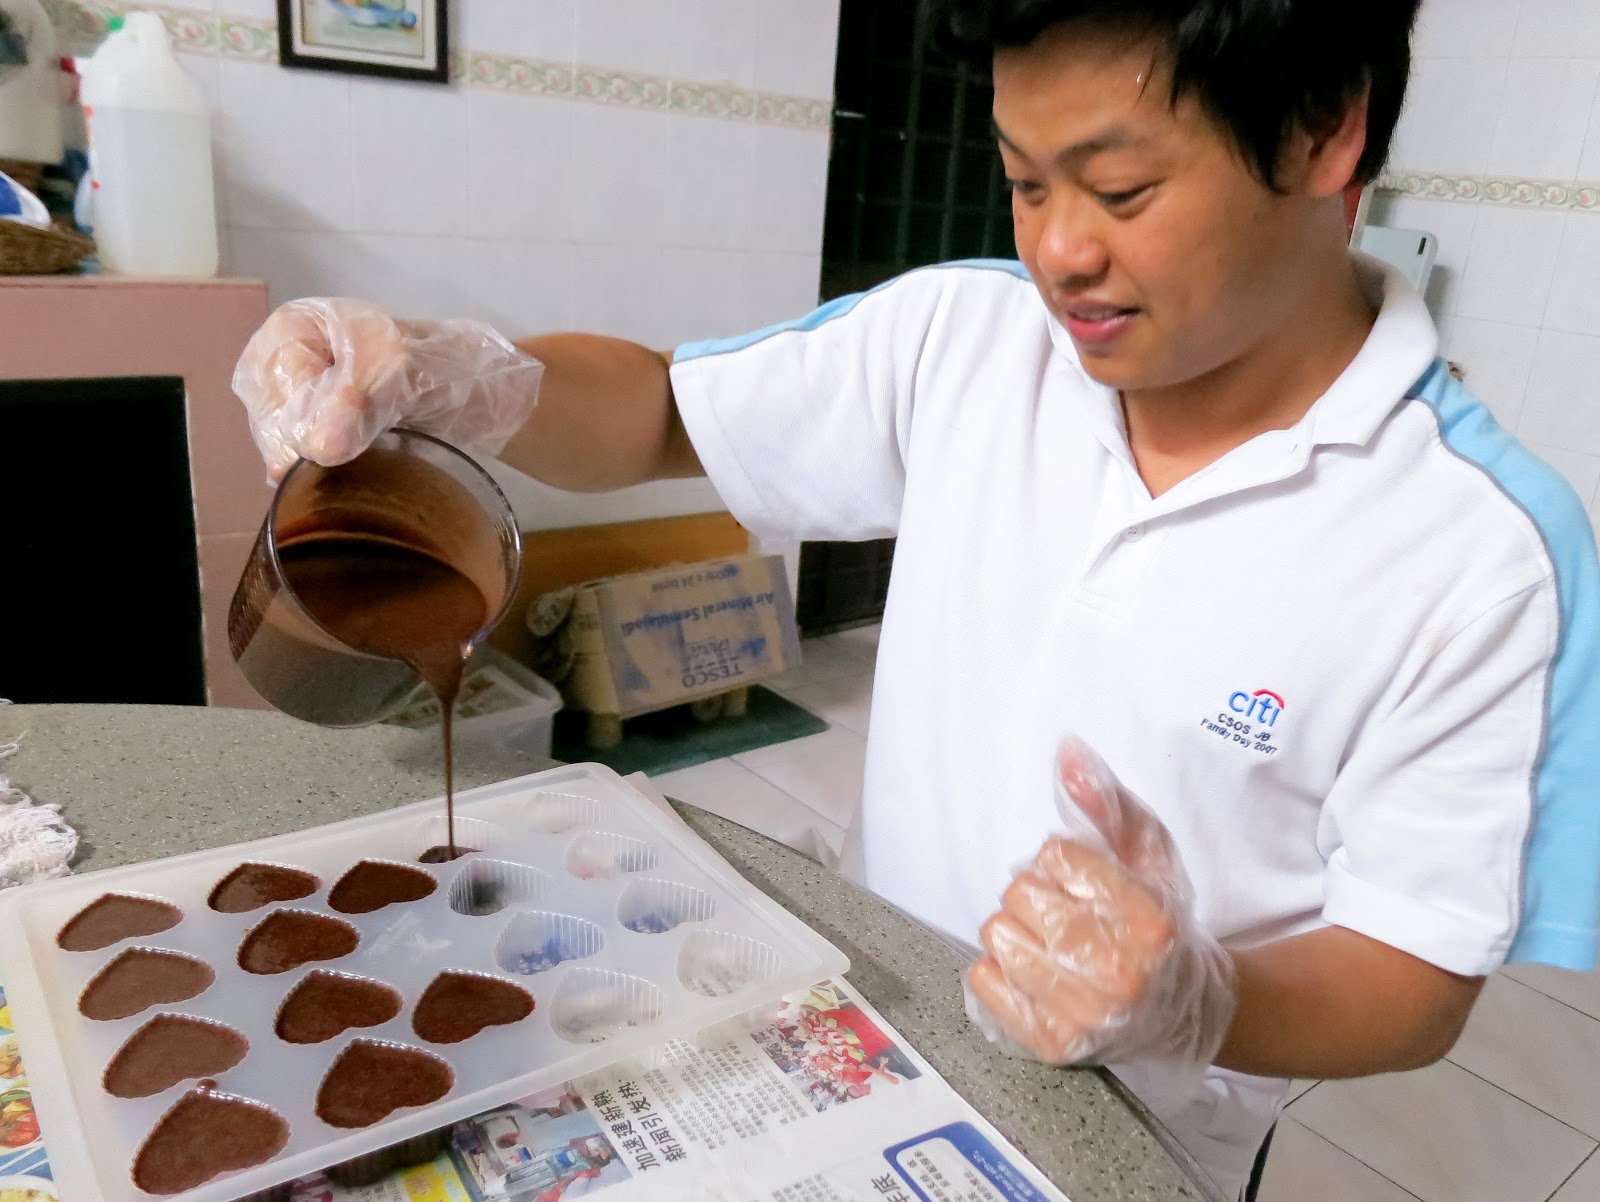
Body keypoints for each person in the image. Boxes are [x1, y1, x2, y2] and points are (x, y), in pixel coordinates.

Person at [230, 2, 1600, 1197]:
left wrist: (1200, 994)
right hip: (867, 1036)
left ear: (1323, 132)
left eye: (1118, 192)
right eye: (1023, 181)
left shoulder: (1478, 549)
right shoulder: (969, 340)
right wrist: (452, 374)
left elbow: (1418, 974)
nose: (1061, 252)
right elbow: (659, 412)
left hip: (1147, 1142)